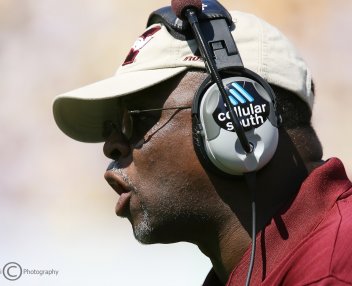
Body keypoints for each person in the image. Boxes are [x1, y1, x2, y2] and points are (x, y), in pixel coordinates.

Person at [53, 1, 352, 285]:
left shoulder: (332, 271)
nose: (111, 147)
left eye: (133, 120)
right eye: (111, 128)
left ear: (239, 119)